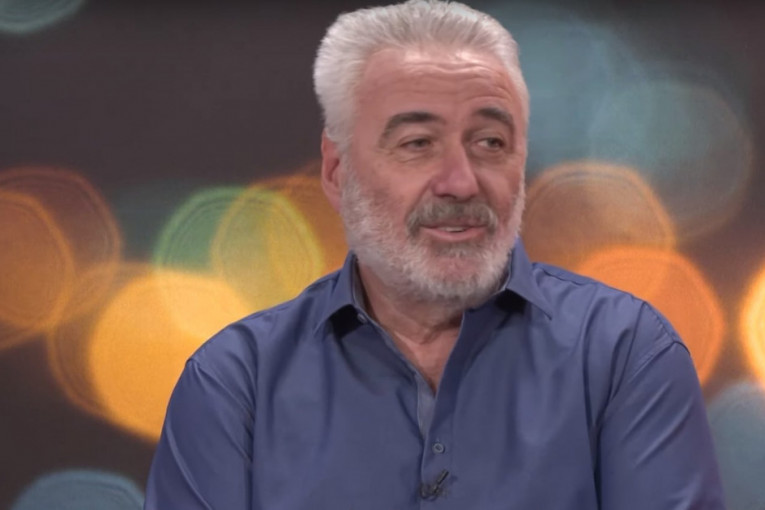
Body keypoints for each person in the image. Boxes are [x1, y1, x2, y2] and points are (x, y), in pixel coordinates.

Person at [144, 1, 725, 508]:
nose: (461, 182)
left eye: (490, 142)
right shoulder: (234, 384)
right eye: (417, 144)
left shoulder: (626, 355)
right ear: (337, 170)